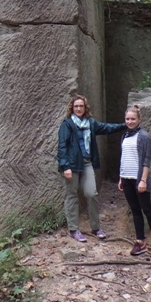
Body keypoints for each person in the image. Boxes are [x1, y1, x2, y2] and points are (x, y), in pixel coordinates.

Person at [57, 94, 126, 242]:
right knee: (72, 196)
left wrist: (126, 125)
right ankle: (74, 229)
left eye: (81, 106)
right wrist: (65, 166)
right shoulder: (67, 124)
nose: (79, 108)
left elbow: (107, 128)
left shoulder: (91, 123)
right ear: (72, 108)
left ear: (85, 107)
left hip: (87, 163)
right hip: (71, 165)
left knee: (91, 193)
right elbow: (62, 147)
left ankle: (96, 227)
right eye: (76, 106)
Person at [117, 104, 151, 259]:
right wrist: (120, 177)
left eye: (133, 119)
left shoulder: (144, 136)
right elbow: (124, 158)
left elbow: (146, 160)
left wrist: (143, 180)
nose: (130, 121)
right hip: (126, 177)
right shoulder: (124, 136)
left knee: (147, 210)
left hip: (139, 179)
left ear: (139, 119)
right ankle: (140, 241)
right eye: (127, 119)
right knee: (135, 210)